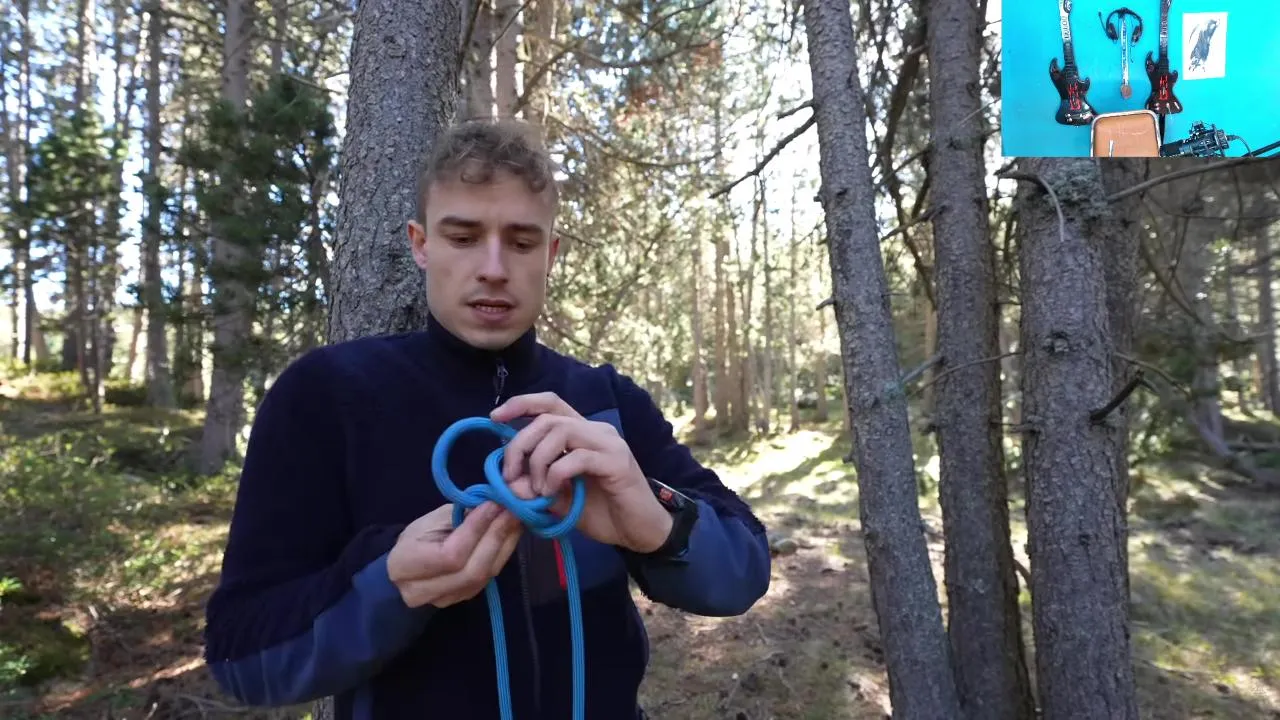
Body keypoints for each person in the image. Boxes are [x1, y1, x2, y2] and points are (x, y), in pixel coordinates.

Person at [202, 118, 772, 719]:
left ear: (550, 255)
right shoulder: (327, 397)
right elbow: (242, 655)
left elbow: (744, 569)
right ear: (421, 244)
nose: (494, 268)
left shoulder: (604, 402)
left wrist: (656, 522)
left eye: (522, 243)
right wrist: (386, 583)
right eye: (464, 237)